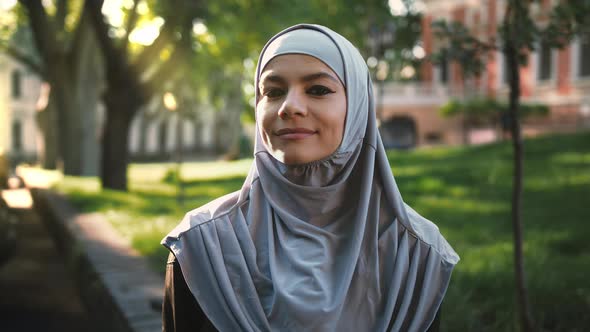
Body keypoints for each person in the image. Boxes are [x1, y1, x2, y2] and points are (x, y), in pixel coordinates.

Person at [161, 24, 459, 332]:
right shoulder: (202, 246)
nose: (289, 107)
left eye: (318, 90)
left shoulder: (414, 253)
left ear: (357, 107)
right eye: (273, 92)